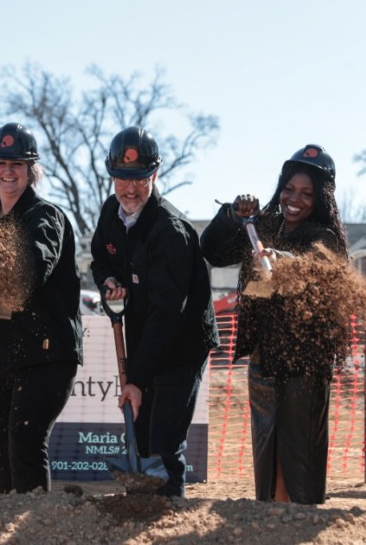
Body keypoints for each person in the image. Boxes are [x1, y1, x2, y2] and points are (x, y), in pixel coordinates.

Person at [200, 144, 348, 504]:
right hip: (264, 361)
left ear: (321, 199)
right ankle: (270, 520)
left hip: (305, 364)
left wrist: (276, 258)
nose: (294, 199)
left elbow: (312, 267)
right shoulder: (262, 224)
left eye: (306, 193)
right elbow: (214, 252)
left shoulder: (324, 238)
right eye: (289, 189)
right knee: (268, 452)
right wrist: (232, 216)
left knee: (297, 455)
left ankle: (295, 522)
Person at [90, 126, 218, 498]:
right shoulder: (111, 214)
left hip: (180, 345)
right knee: (141, 437)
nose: (130, 189)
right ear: (112, 176)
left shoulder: (169, 231)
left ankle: (166, 517)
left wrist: (136, 379)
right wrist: (109, 281)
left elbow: (167, 314)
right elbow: (100, 260)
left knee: (163, 441)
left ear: (155, 175)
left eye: (140, 179)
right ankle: (139, 509)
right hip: (144, 337)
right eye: (123, 179)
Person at [0, 122, 83, 494]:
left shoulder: (45, 217)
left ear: (31, 171)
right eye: (1, 163)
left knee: (23, 446)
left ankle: (31, 527)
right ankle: (7, 517)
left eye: (17, 164)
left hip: (45, 355)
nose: (8, 171)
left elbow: (34, 268)